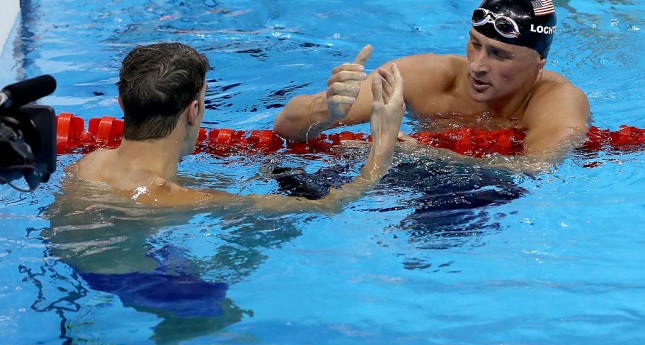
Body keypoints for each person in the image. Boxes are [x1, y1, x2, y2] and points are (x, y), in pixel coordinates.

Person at [66, 42, 405, 209]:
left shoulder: (86, 166)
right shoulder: (180, 198)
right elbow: (330, 207)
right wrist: (383, 145)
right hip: (152, 288)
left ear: (122, 104)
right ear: (194, 110)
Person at [273, 0, 591, 172]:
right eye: (474, 44)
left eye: (499, 54)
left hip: (490, 192)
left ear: (539, 63)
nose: (477, 65)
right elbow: (284, 128)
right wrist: (326, 111)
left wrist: (426, 155)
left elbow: (535, 167)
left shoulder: (558, 101)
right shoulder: (425, 76)